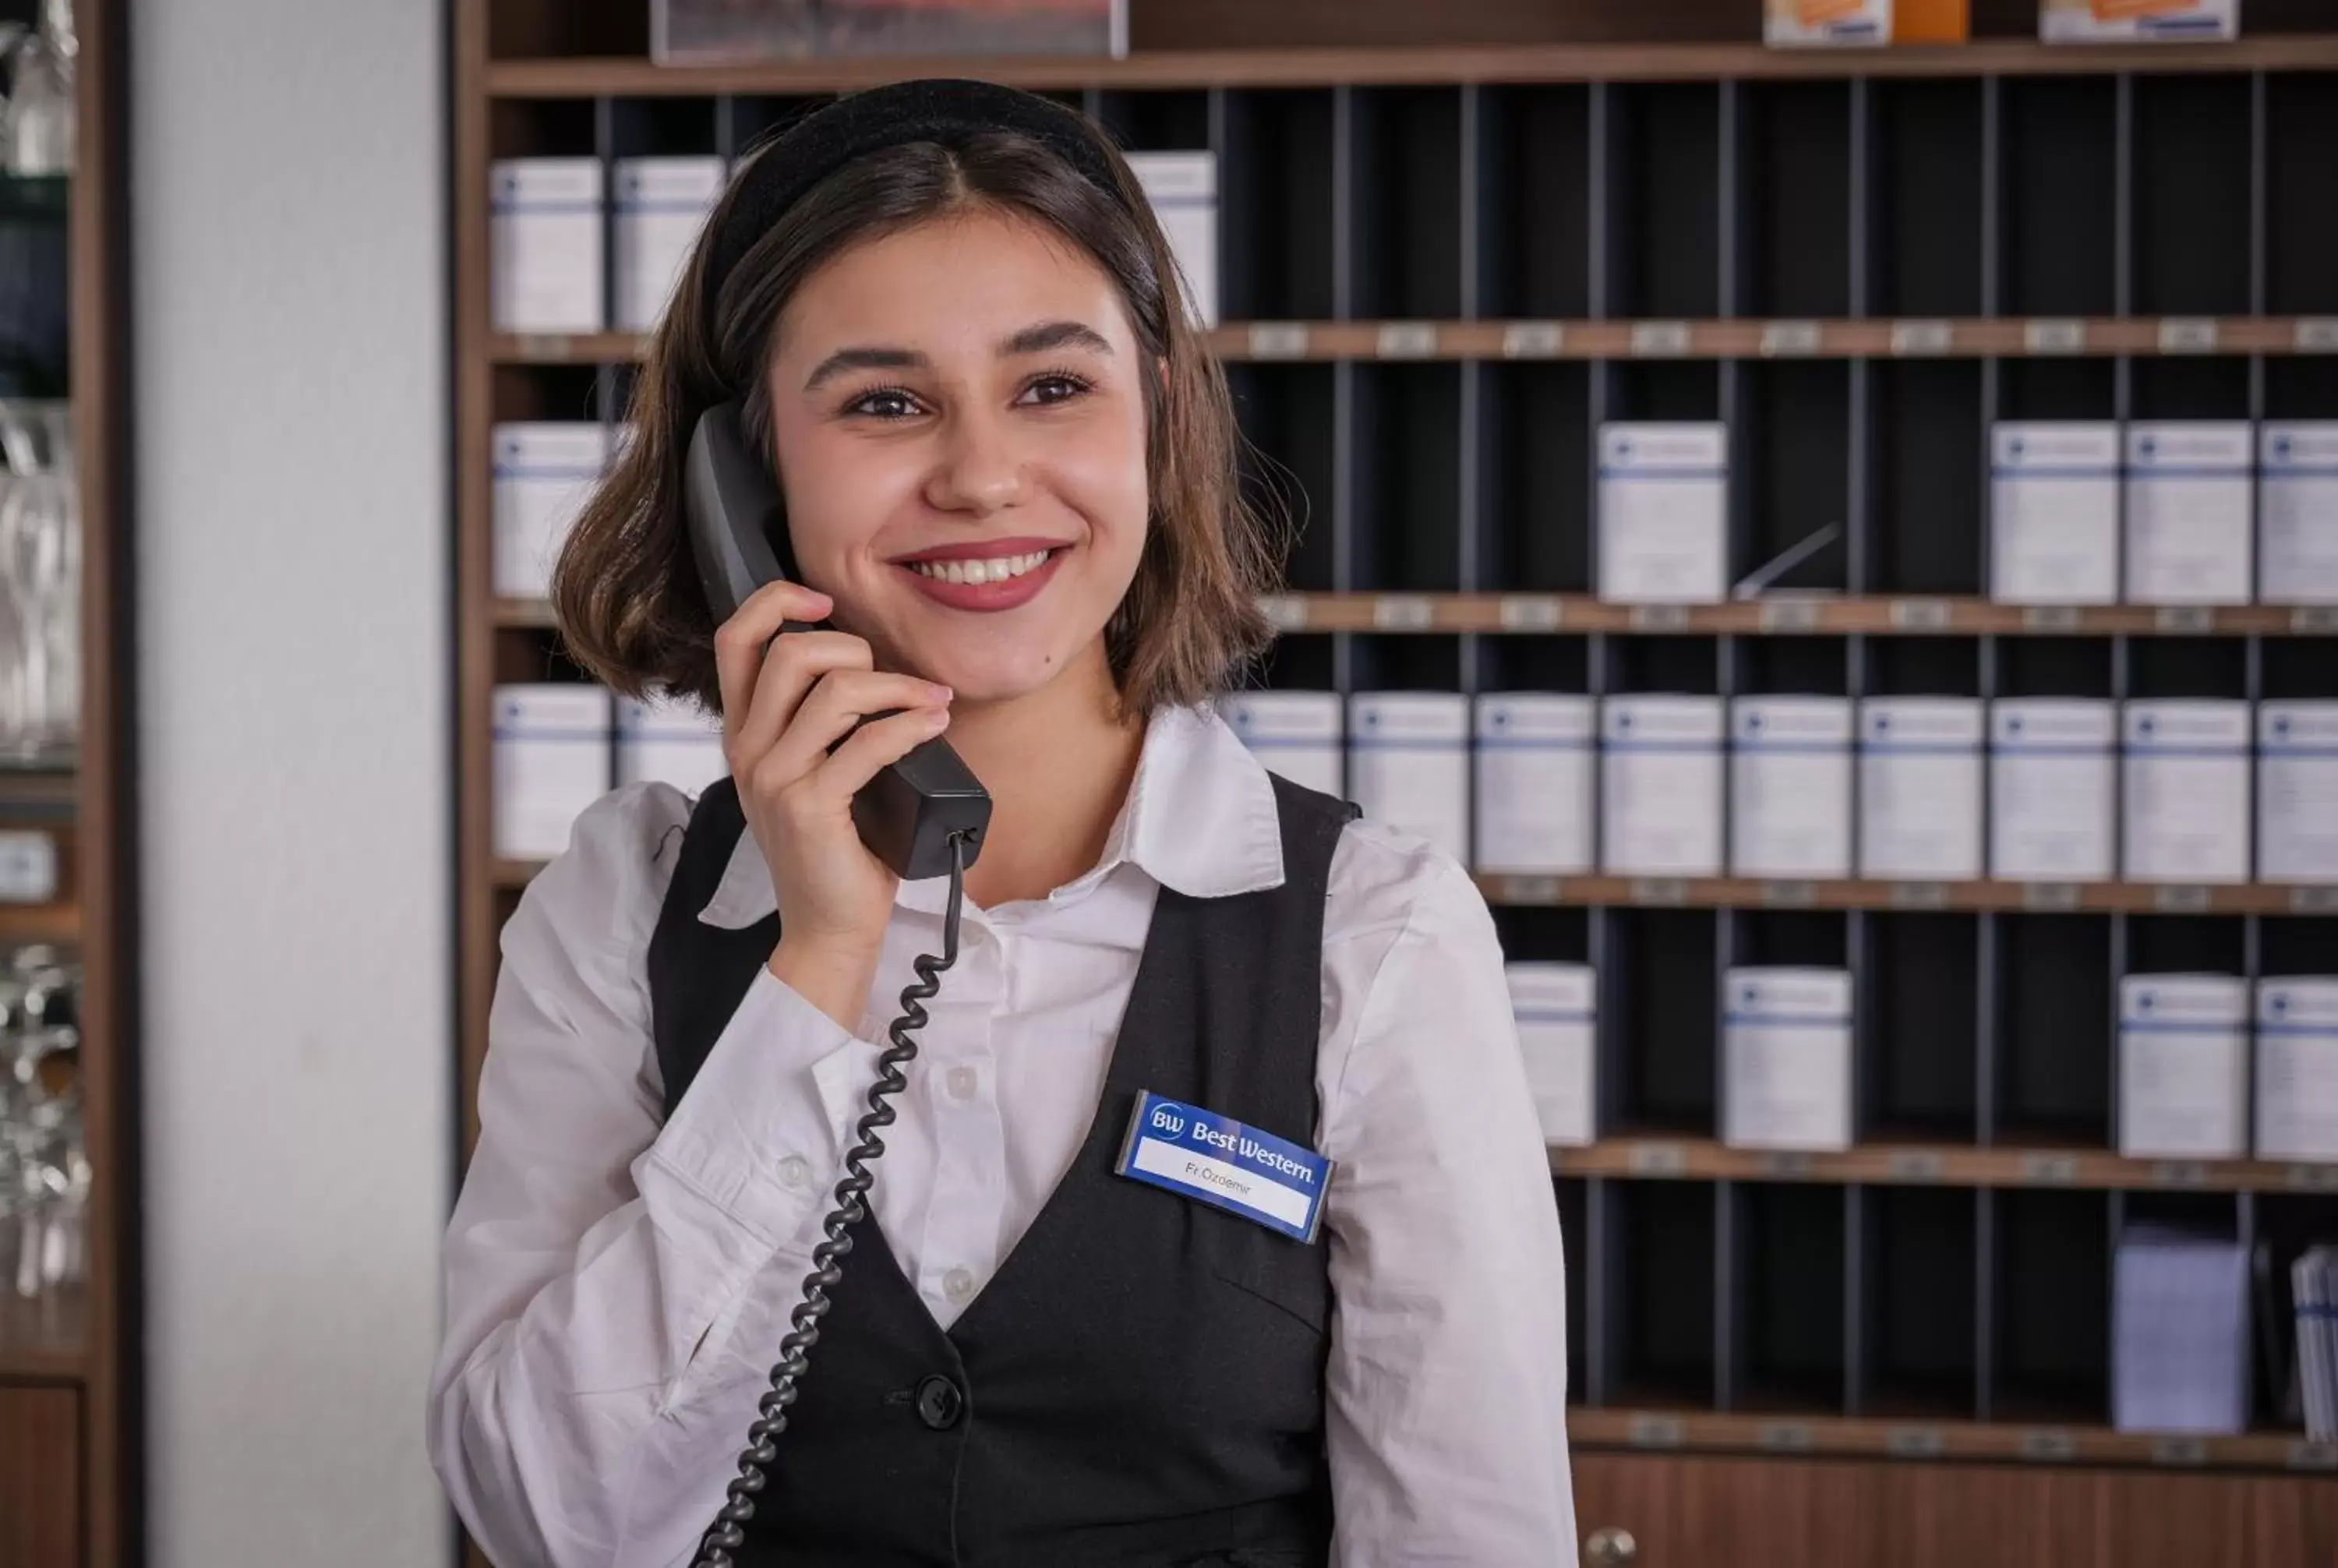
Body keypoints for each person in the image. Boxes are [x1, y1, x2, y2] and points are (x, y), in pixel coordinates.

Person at [426, 78, 1575, 1568]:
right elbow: (545, 1522)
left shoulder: (1376, 933)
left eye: (1052, 387)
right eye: (884, 402)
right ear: (751, 472)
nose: (980, 477)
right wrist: (821, 967)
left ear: (1156, 414)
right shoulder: (625, 905)